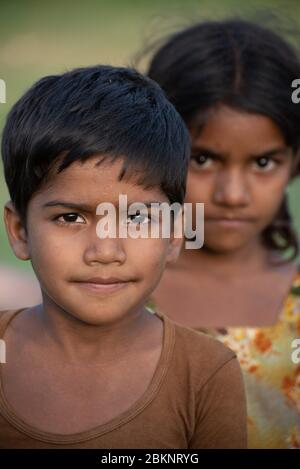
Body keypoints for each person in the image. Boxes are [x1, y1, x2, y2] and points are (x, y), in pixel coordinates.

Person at [0, 64, 247, 448]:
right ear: (20, 232)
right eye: (70, 217)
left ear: (174, 235)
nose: (105, 251)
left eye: (136, 218)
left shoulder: (206, 373)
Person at [147, 19, 300, 448]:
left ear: (295, 161)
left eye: (264, 163)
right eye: (203, 159)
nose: (233, 195)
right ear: (152, 150)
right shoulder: (112, 294)